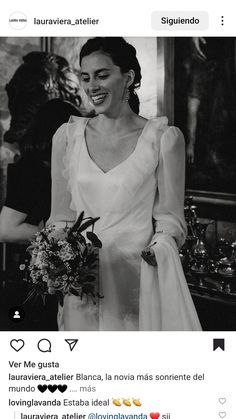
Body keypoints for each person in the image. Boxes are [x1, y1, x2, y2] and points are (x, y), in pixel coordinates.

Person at [48, 37, 202, 331]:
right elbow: (60, 217)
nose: (92, 85)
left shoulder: (163, 139)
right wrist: (56, 256)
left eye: (102, 75)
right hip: (81, 286)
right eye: (85, 77)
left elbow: (170, 220)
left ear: (128, 77)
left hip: (136, 282)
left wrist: (158, 249)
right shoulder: (67, 137)